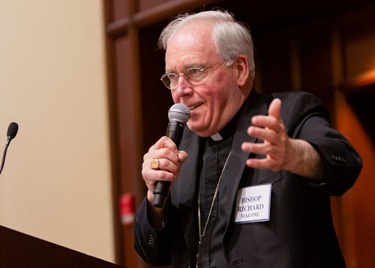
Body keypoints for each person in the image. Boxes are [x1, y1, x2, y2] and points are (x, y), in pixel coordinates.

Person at [133, 9, 362, 268]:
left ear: (239, 69)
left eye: (195, 71)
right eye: (172, 77)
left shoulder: (290, 114)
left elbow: (346, 166)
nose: (180, 91)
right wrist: (155, 199)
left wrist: (295, 154)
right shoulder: (179, 146)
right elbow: (153, 253)